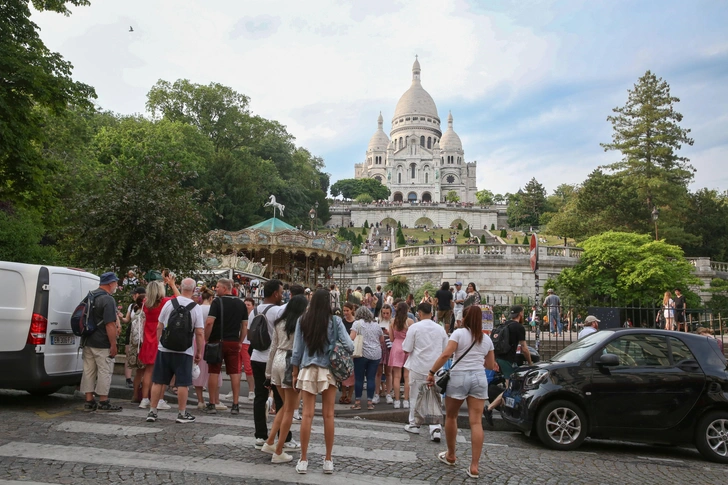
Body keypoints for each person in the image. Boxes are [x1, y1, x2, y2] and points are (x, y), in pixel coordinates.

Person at [427, 306, 496, 479]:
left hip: (459, 377)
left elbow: (446, 355)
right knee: (476, 422)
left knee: (451, 416)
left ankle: (451, 455)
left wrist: (431, 372)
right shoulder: (486, 339)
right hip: (479, 379)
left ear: (464, 318)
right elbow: (489, 365)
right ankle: (474, 466)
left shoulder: (458, 334)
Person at [291, 289, 354, 474]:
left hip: (308, 369)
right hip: (329, 371)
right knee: (328, 415)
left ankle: (303, 460)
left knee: (307, 415)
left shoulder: (303, 320)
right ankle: (328, 460)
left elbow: (297, 350)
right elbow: (349, 347)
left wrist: (295, 374)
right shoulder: (335, 321)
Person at [146, 278, 204, 424]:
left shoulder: (169, 304)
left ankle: (152, 412)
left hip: (164, 349)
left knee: (158, 381)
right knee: (183, 383)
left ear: (181, 287)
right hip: (185, 350)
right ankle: (182, 413)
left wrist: (161, 342)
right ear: (194, 289)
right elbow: (199, 333)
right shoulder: (195, 307)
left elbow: (160, 325)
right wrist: (198, 352)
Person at [261, 295, 308, 463]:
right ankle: (279, 449)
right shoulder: (301, 324)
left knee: (285, 405)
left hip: (277, 362)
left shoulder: (280, 322)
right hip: (290, 363)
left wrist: (268, 373)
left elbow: (272, 347)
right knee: (290, 407)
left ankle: (271, 441)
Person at [250, 280, 293, 450]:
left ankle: (260, 434)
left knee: (260, 397)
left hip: (256, 356)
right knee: (282, 400)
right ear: (275, 293)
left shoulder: (254, 310)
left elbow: (249, 334)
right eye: (281, 292)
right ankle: (284, 437)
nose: (282, 295)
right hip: (273, 359)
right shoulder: (279, 311)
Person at [402, 302, 449, 442]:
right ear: (432, 313)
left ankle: (414, 424)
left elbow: (407, 348)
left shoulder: (414, 327)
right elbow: (445, 349)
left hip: (418, 365)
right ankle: (435, 428)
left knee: (415, 395)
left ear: (420, 313)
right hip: (435, 367)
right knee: (435, 397)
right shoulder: (440, 329)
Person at [204, 278, 248, 415]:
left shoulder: (217, 301)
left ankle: (212, 403)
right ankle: (235, 404)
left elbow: (210, 322)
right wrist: (240, 341)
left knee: (213, 371)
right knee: (235, 373)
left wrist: (206, 338)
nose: (216, 289)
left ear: (225, 288)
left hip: (217, 341)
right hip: (234, 342)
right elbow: (244, 326)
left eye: (217, 287)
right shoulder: (241, 304)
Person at [80, 272, 123, 412]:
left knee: (88, 371)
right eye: (115, 283)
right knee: (104, 370)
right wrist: (113, 344)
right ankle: (103, 401)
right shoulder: (108, 300)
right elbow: (110, 324)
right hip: (102, 342)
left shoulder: (90, 296)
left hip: (87, 339)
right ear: (110, 283)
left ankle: (89, 400)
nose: (116, 285)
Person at [484, 305, 533, 424]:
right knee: (511, 388)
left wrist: (494, 360)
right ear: (520, 314)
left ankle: (506, 411)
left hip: (499, 358)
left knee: (510, 387)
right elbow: (525, 349)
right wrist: (531, 363)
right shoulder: (519, 327)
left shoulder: (504, 325)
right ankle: (489, 409)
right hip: (507, 360)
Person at [139, 277, 179, 410]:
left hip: (147, 338)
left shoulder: (146, 303)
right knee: (162, 372)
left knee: (148, 371)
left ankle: (144, 399)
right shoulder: (164, 302)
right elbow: (179, 299)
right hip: (160, 337)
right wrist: (173, 285)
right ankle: (160, 400)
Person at [193, 286, 222, 410]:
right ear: (211, 298)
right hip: (210, 340)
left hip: (197, 340)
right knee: (214, 371)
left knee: (198, 369)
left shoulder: (197, 308)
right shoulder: (212, 309)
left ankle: (200, 400)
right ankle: (215, 399)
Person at [349, 306, 384, 410]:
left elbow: (351, 337)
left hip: (362, 353)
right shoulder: (376, 325)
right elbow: (381, 340)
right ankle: (369, 402)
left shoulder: (357, 323)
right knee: (371, 378)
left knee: (359, 378)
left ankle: (358, 402)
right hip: (375, 354)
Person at [120, 287, 146, 398]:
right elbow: (127, 320)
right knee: (128, 353)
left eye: (134, 294)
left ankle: (140, 381)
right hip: (132, 330)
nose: (133, 296)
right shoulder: (132, 306)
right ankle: (128, 379)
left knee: (142, 358)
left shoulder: (146, 306)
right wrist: (121, 318)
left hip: (142, 332)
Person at [389, 302, 413, 409]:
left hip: (396, 347)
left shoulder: (393, 322)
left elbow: (391, 339)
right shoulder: (410, 322)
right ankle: (406, 400)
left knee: (396, 376)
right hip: (407, 347)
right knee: (407, 376)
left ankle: (397, 401)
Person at [338, 302, 357, 404]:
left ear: (351, 310)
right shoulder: (341, 321)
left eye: (347, 311)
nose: (345, 313)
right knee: (343, 372)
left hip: (353, 349)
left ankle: (350, 395)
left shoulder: (356, 322)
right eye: (344, 310)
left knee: (352, 373)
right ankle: (343, 394)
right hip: (343, 349)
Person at [241, 297, 257, 400]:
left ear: (253, 306)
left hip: (247, 343)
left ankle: (251, 390)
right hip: (239, 342)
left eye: (248, 305)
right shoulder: (239, 314)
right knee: (236, 369)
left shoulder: (254, 316)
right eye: (245, 304)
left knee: (248, 368)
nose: (246, 307)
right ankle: (234, 390)